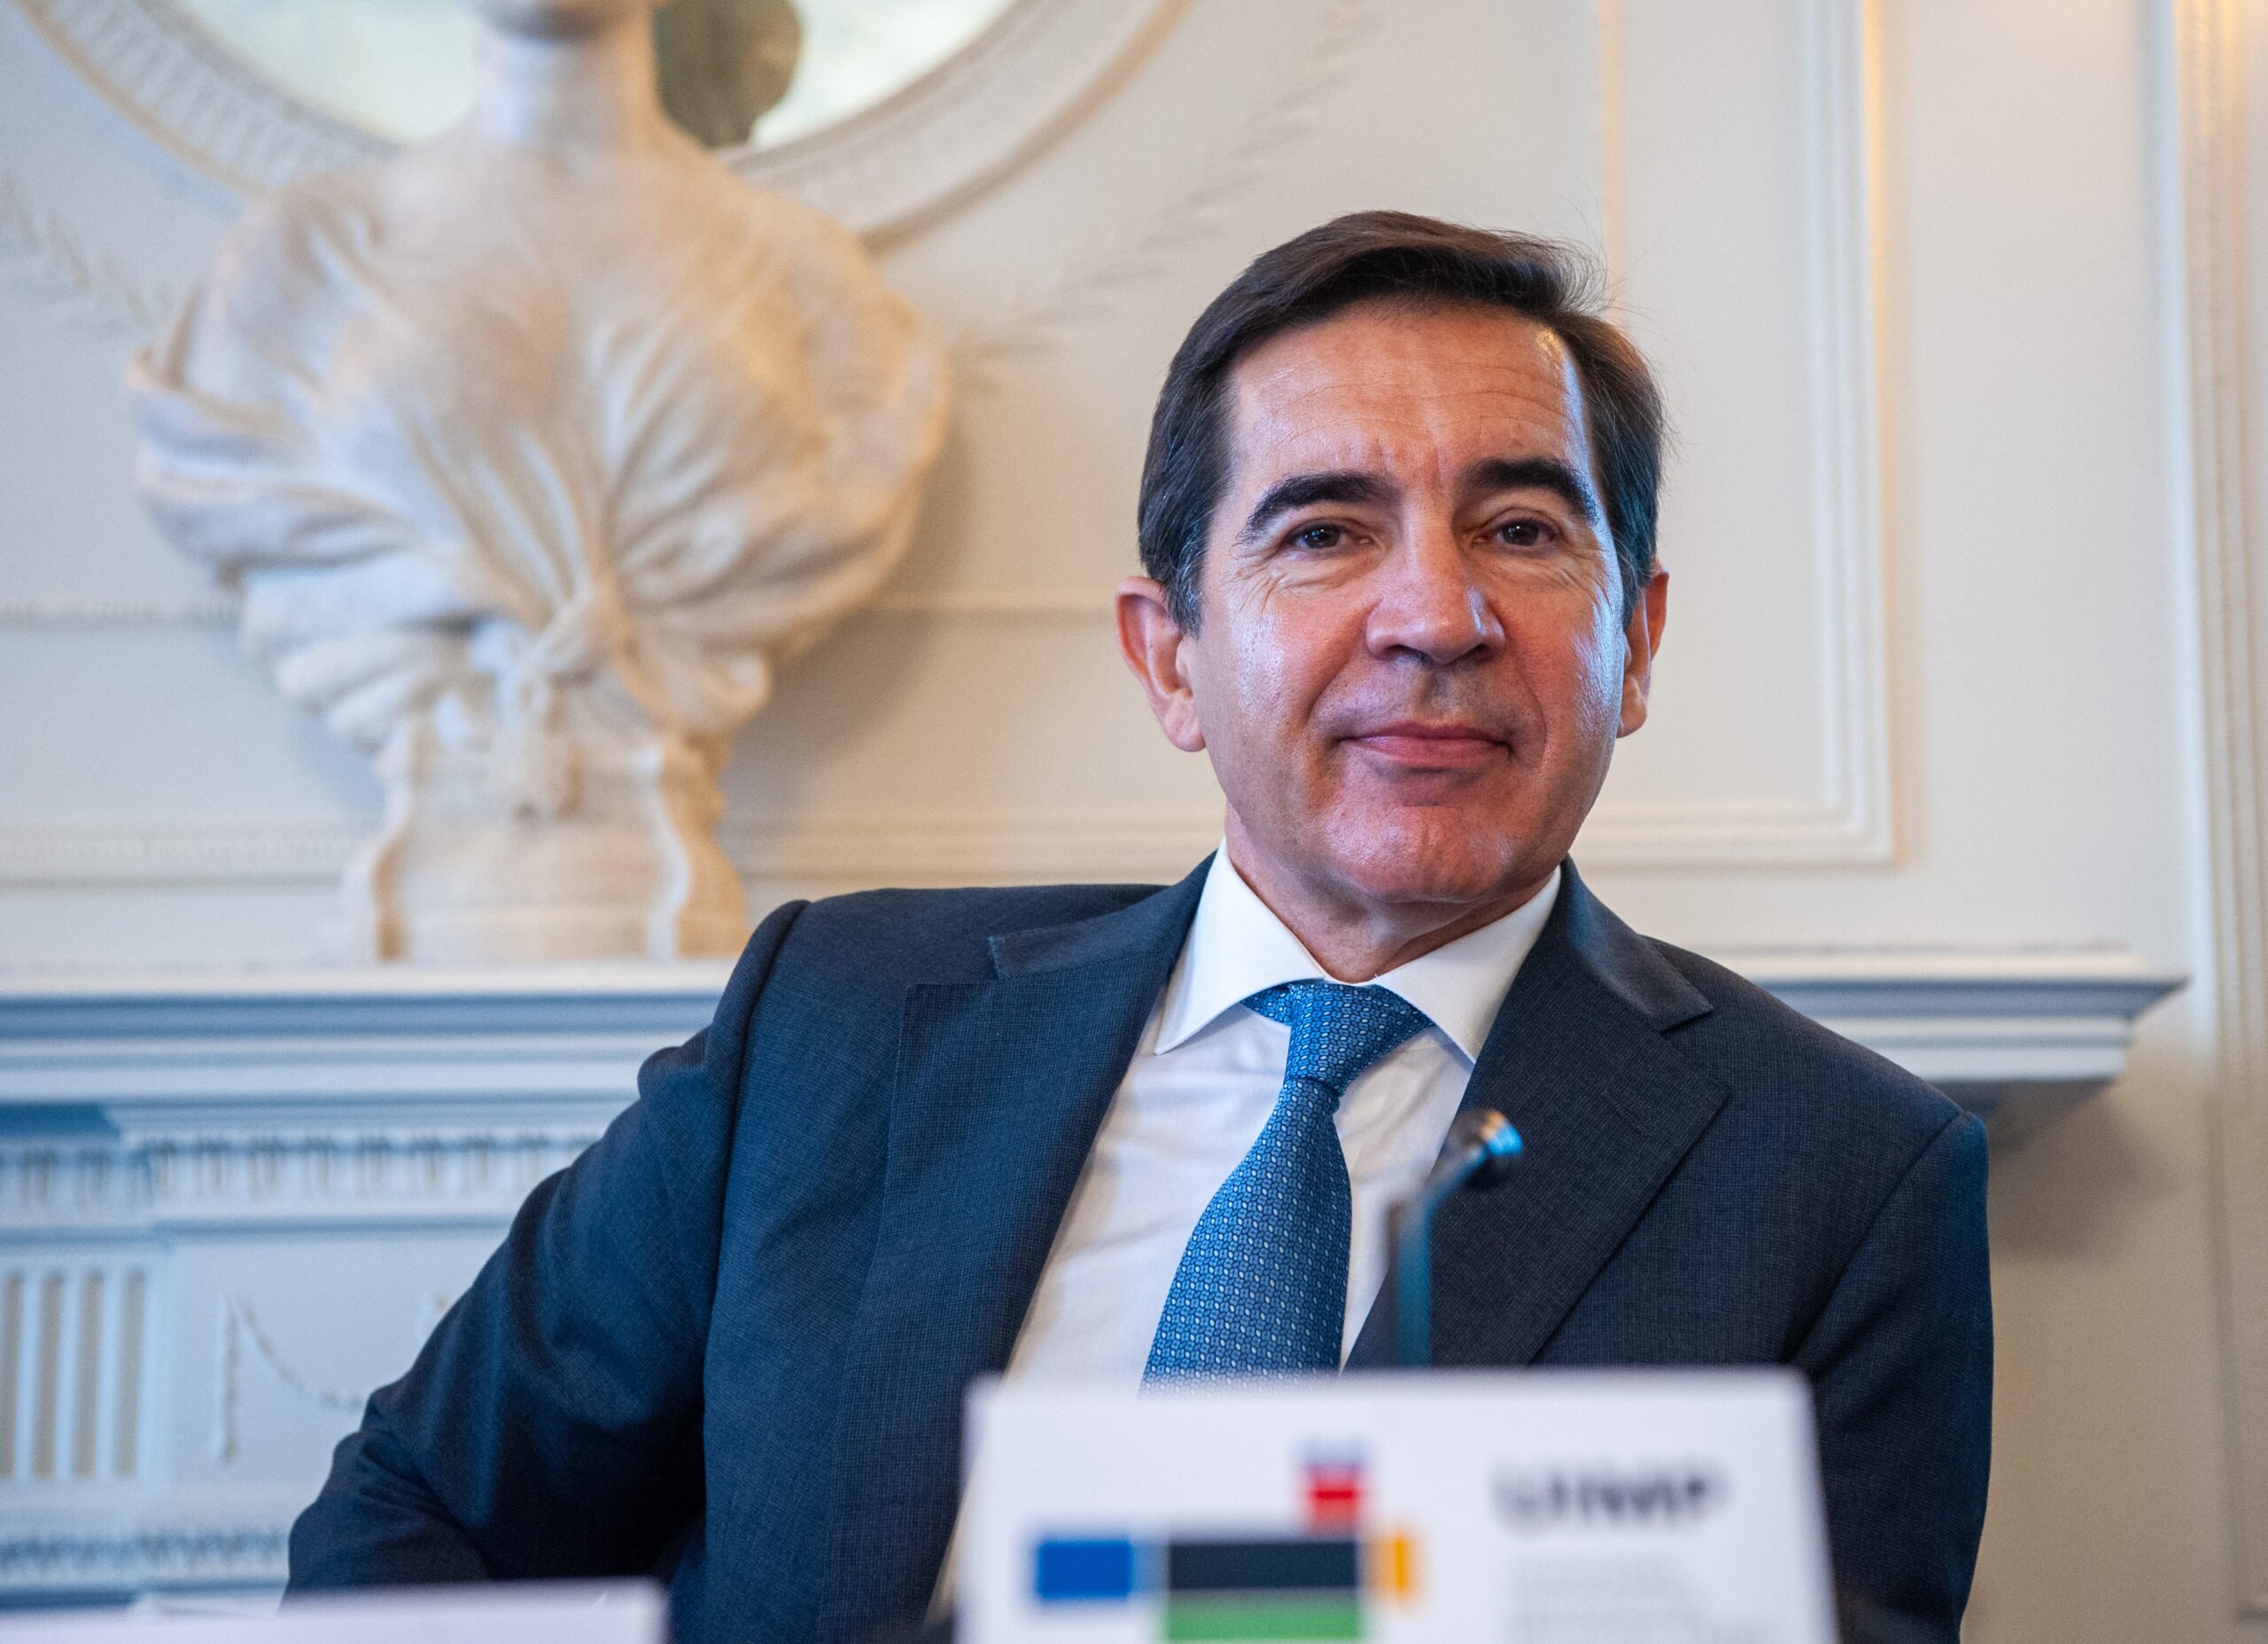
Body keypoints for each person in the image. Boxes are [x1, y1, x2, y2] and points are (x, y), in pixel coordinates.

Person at [288, 213, 1991, 1644]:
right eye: (1325, 531)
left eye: (1523, 530)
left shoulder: (1844, 1182)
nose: (1434, 615)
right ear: (1169, 656)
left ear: (1637, 643)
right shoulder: (832, 1024)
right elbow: (423, 1520)